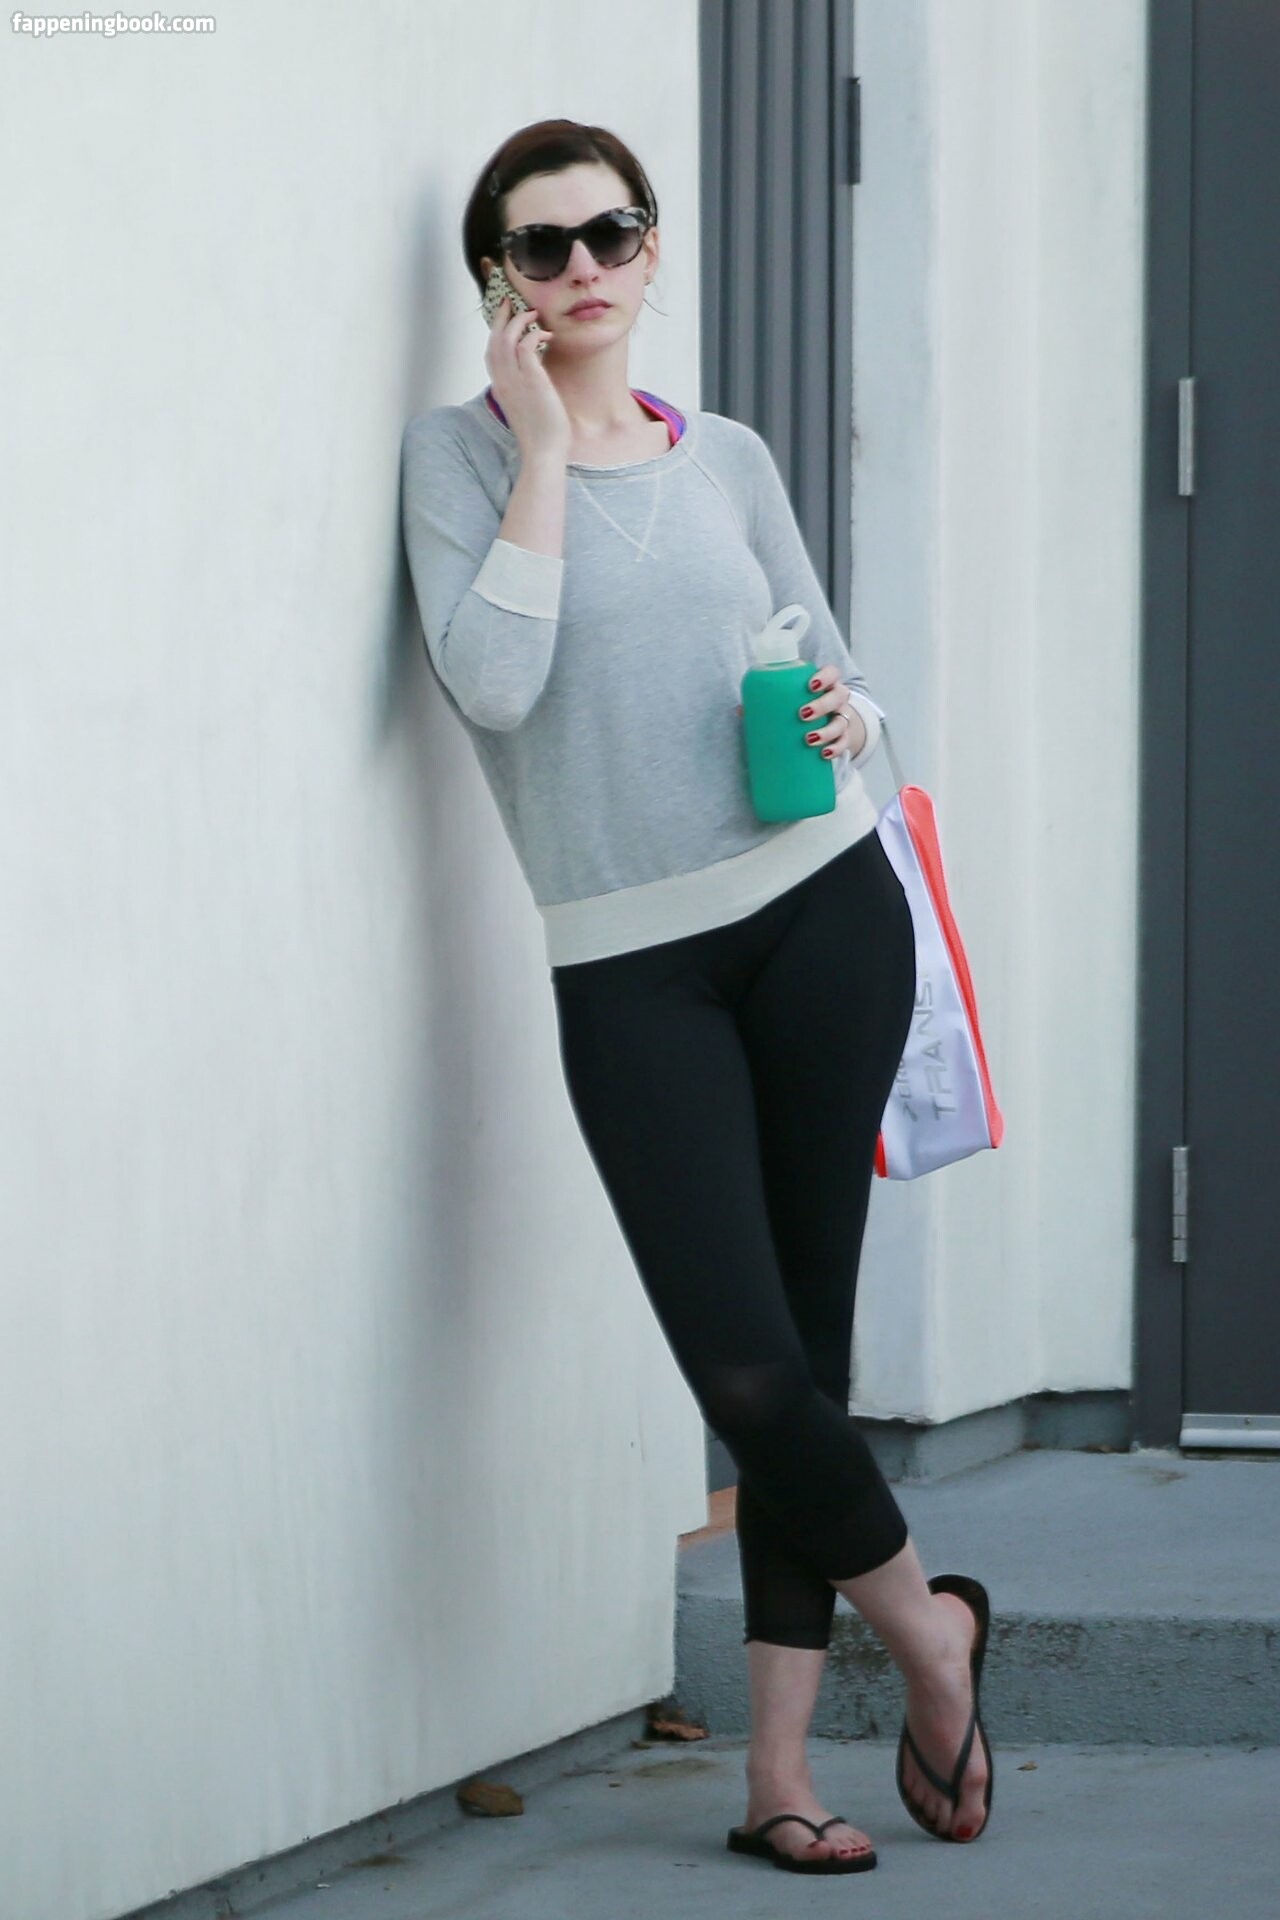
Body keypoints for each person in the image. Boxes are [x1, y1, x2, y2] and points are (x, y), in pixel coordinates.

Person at [400, 117, 992, 1873]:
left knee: (804, 1351)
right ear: (500, 284)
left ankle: (776, 1782)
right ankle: (933, 1635)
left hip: (822, 919)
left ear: (652, 251)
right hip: (630, 964)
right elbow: (494, 685)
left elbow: (841, 676)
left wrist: (846, 716)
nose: (582, 268)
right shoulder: (456, 458)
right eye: (541, 247)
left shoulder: (726, 453)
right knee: (742, 1366)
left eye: (610, 234)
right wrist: (538, 452)